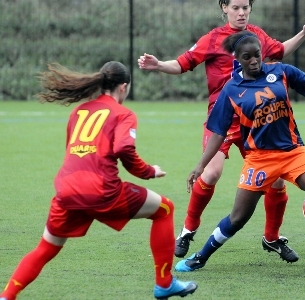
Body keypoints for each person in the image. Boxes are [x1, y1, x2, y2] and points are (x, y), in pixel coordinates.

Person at [138, 0, 305, 263]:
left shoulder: (256, 35)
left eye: (245, 7)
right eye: (235, 7)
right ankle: (188, 230)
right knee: (211, 171)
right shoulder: (213, 39)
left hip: (255, 119)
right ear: (224, 7)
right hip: (224, 118)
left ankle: (271, 238)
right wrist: (158, 65)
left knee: (278, 179)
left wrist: (304, 32)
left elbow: (280, 51)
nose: (241, 12)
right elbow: (183, 63)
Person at [174, 31, 305, 274]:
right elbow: (218, 133)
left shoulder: (282, 72)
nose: (254, 61)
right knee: (238, 218)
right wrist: (200, 166)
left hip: (294, 152)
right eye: (248, 57)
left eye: (257, 55)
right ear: (238, 59)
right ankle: (200, 257)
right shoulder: (232, 90)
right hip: (259, 159)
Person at [0, 61, 198, 300]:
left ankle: (6, 296)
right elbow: (124, 148)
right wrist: (148, 171)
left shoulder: (79, 111)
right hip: (102, 189)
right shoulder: (123, 113)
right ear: (123, 87)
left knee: (46, 248)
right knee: (165, 208)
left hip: (67, 190)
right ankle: (164, 284)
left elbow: (72, 151)